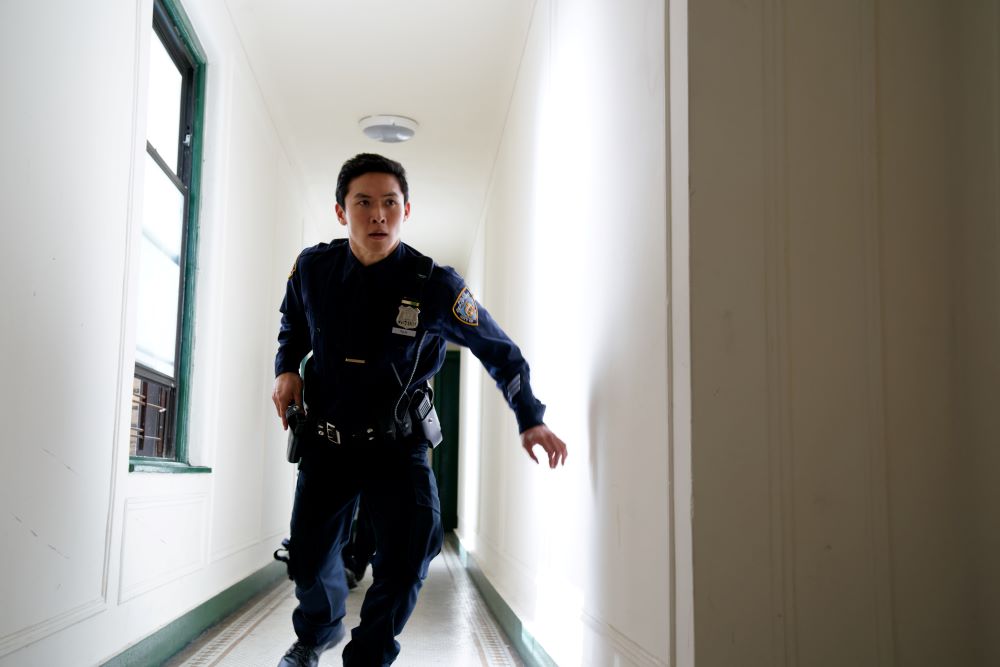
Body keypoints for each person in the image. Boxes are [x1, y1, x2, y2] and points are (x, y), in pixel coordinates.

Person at [271, 153, 567, 667]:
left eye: (390, 203)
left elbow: (499, 349)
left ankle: (367, 657)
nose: (378, 215)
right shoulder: (313, 268)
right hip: (328, 442)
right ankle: (317, 633)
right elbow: (293, 323)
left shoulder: (434, 285)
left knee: (411, 557)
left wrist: (530, 415)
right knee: (308, 561)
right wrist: (286, 367)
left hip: (397, 444)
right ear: (342, 212)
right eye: (363, 203)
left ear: (406, 209)